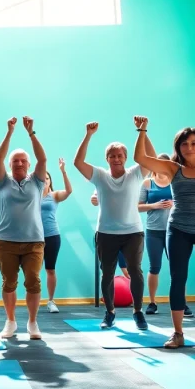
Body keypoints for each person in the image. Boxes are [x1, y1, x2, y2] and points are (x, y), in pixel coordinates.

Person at [131, 116, 195, 350]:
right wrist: (142, 130)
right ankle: (178, 333)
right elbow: (140, 158)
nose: (189, 147)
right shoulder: (171, 168)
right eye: (184, 144)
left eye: (194, 143)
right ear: (178, 147)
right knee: (178, 279)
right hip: (178, 229)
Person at [75, 121, 155, 330]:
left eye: (120, 155)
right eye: (113, 156)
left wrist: (142, 131)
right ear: (107, 159)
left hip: (133, 232)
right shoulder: (100, 175)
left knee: (135, 271)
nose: (116, 159)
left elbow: (152, 159)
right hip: (106, 233)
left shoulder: (136, 173)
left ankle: (138, 312)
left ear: (126, 158)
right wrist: (88, 135)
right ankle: (110, 312)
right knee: (107, 273)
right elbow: (78, 162)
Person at [0, 116, 47, 339]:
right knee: (9, 282)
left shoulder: (36, 181)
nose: (19, 163)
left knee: (33, 281)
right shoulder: (2, 181)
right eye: (15, 161)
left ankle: (33, 323)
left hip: (34, 241)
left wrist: (30, 132)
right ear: (10, 164)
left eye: (23, 161)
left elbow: (42, 158)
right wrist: (9, 132)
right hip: (6, 241)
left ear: (28, 164)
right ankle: (11, 321)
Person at [138, 153, 174, 316]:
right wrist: (155, 205)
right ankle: (152, 302)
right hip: (154, 231)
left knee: (178, 268)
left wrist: (174, 203)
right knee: (154, 267)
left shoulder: (175, 182)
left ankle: (181, 302)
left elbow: (185, 201)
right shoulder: (147, 183)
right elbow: (137, 206)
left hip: (174, 230)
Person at [42, 158, 73, 313]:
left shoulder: (54, 196)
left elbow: (69, 191)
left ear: (50, 181)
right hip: (34, 237)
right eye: (42, 179)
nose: (44, 181)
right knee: (32, 271)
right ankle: (33, 299)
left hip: (52, 235)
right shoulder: (31, 196)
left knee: (50, 269)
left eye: (47, 179)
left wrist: (63, 171)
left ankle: (51, 300)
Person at [91, 191, 130, 279]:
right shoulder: (104, 181)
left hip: (125, 232)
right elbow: (95, 197)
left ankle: (134, 291)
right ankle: (106, 292)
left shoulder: (128, 182)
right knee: (107, 270)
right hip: (107, 232)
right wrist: (94, 198)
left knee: (127, 270)